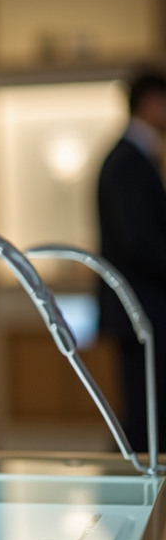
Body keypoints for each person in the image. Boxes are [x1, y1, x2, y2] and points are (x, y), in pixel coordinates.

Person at [97, 68, 166, 455]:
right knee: (145, 414)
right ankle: (137, 484)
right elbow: (139, 240)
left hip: (143, 306)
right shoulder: (128, 161)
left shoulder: (134, 157)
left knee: (147, 408)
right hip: (141, 308)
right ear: (151, 103)